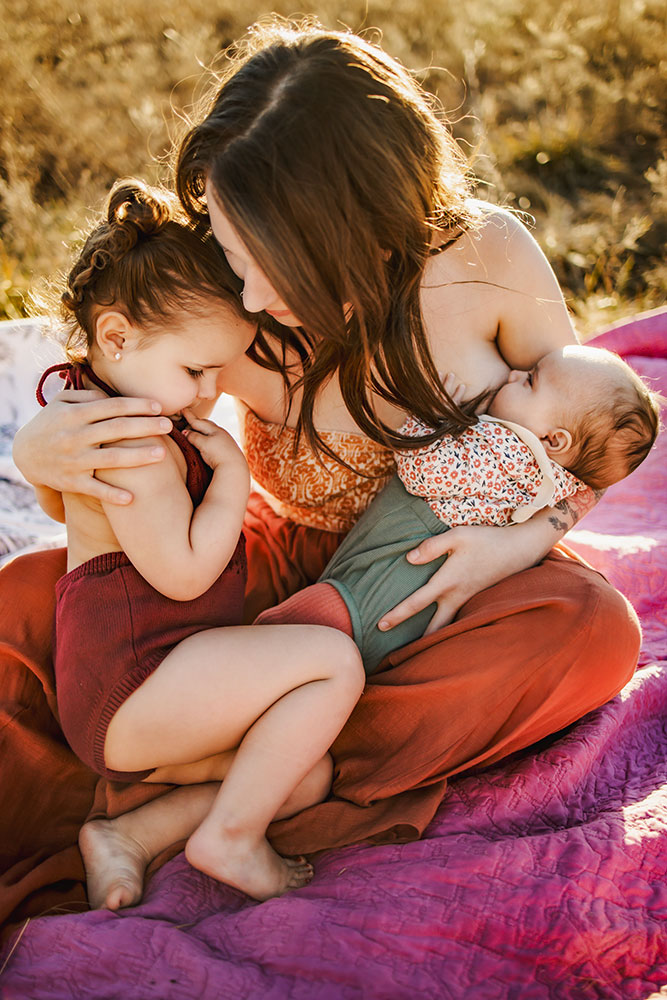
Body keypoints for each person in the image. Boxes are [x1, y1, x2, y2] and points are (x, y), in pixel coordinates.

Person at [4, 20, 641, 921]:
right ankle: (279, 757)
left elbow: (584, 434)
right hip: (269, 569)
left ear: (355, 228)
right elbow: (106, 448)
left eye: (266, 261)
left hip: (428, 579)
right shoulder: (221, 293)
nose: (248, 294)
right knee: (28, 606)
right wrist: (38, 455)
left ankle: (238, 774)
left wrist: (516, 548)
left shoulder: (489, 260)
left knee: (591, 631)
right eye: (230, 251)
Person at [36, 177, 364, 902]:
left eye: (217, 370)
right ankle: (231, 840)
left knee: (299, 772)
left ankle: (129, 836)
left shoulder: (102, 402)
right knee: (332, 664)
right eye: (194, 369)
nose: (210, 391)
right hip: (132, 687)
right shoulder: (137, 447)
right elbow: (184, 574)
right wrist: (231, 478)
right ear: (115, 336)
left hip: (155, 684)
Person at [257, 345, 661, 672]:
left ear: (552, 440)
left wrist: (429, 415)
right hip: (406, 614)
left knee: (277, 636)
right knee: (305, 661)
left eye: (531, 380)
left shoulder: (510, 449)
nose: (515, 374)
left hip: (371, 589)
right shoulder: (562, 480)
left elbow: (424, 471)